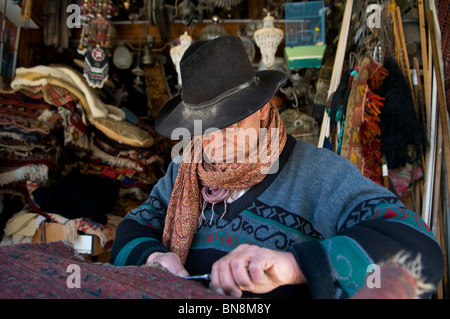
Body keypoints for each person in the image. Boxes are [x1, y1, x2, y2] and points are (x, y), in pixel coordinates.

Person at [111, 36, 444, 299]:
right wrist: (154, 259)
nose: (215, 142)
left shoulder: (322, 176)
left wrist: (295, 266)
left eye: (230, 123)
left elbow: (418, 254)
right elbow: (132, 230)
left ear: (261, 109)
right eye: (203, 129)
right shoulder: (185, 171)